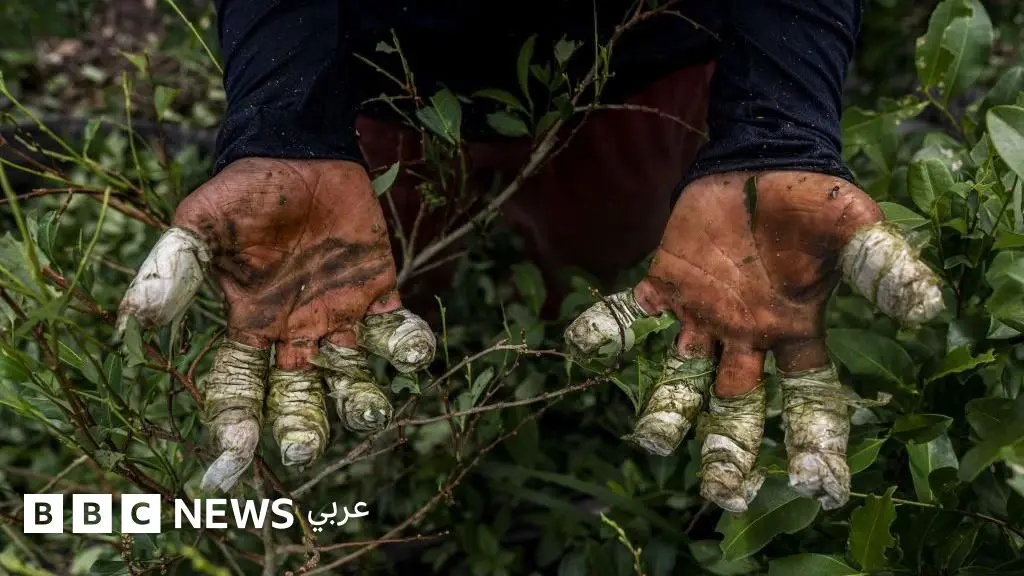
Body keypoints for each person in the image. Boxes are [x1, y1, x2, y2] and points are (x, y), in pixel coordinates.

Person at [117, 0, 943, 512]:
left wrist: (779, 124)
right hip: (375, 68)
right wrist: (284, 120)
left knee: (606, 260)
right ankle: (384, 470)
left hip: (636, 58)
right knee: (365, 287)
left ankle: (551, 399)